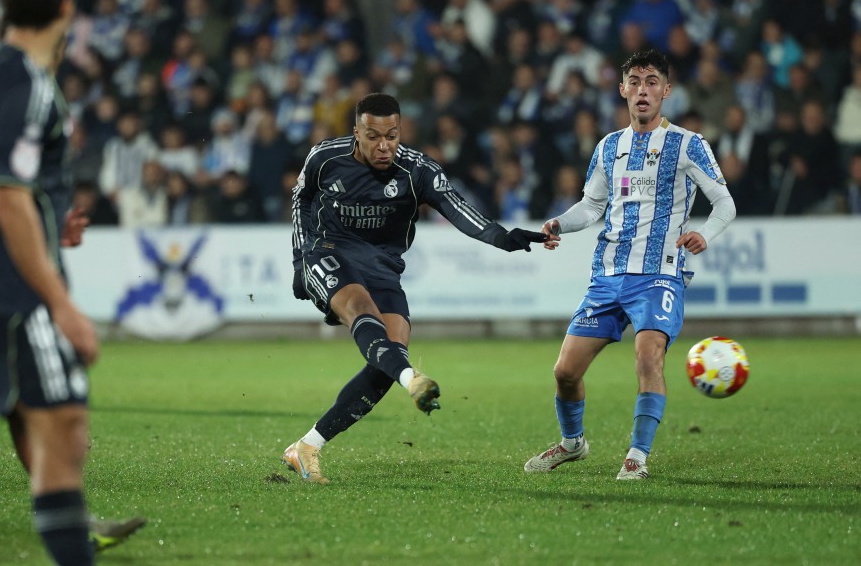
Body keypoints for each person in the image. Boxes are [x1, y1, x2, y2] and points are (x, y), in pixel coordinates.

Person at [0, 0, 144, 554]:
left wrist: (43, 226)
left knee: (10, 408)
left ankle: (72, 516)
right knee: (53, 413)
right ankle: (71, 522)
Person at [284, 92, 547, 484]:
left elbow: (458, 208)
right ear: (356, 132)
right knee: (359, 308)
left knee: (391, 353)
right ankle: (414, 380)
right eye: (373, 136)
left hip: (383, 267)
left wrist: (503, 237)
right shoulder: (325, 157)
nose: (384, 144)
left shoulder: (416, 169)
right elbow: (301, 199)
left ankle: (306, 446)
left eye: (392, 134)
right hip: (331, 252)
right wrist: (300, 259)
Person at [523, 49, 736, 480]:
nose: (643, 90)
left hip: (659, 274)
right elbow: (591, 205)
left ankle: (636, 456)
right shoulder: (609, 146)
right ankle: (572, 444)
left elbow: (724, 203)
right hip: (608, 274)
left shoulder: (688, 144)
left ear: (667, 91)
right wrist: (560, 224)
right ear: (622, 89)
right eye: (635, 81)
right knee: (565, 372)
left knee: (647, 355)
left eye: (652, 81)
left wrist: (704, 235)